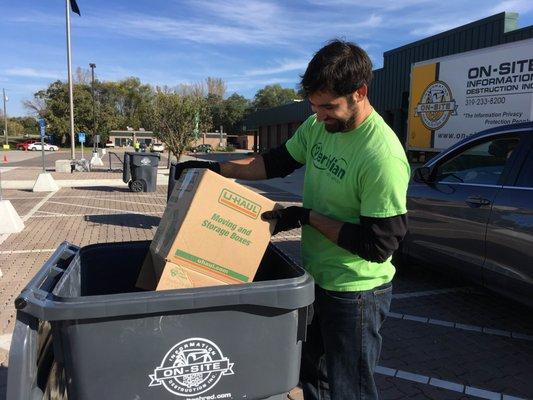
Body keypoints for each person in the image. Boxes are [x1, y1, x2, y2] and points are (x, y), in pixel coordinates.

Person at [172, 39, 410, 400]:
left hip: (357, 294)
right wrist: (214, 169)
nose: (320, 115)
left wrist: (307, 217)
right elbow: (272, 163)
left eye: (328, 107)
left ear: (360, 92)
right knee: (313, 375)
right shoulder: (319, 127)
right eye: (315, 106)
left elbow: (379, 245)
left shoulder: (382, 156)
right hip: (317, 279)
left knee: (351, 389)